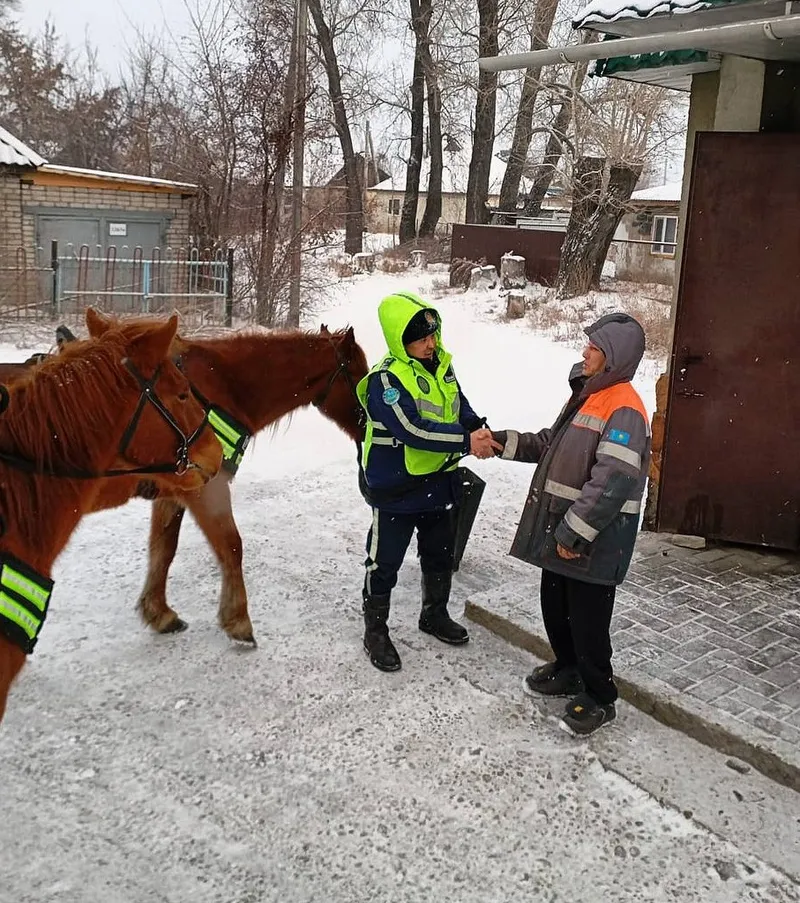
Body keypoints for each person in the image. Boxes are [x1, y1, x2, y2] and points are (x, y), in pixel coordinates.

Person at [491, 313, 650, 736]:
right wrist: (501, 441)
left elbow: (613, 479)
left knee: (588, 620)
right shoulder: (589, 396)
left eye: (593, 348)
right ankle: (568, 669)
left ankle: (600, 695)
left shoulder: (625, 409)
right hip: (562, 533)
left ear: (612, 356)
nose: (584, 352)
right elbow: (550, 443)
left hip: (593, 541)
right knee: (556, 607)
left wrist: (575, 535)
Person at [356, 290, 499, 672]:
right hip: (397, 490)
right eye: (421, 339)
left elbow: (459, 406)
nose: (431, 343)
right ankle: (376, 630)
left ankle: (433, 614)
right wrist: (466, 441)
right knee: (384, 562)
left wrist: (478, 428)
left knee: (439, 555)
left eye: (433, 335)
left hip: (440, 483)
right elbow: (411, 430)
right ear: (400, 341)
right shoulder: (384, 381)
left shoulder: (441, 366)